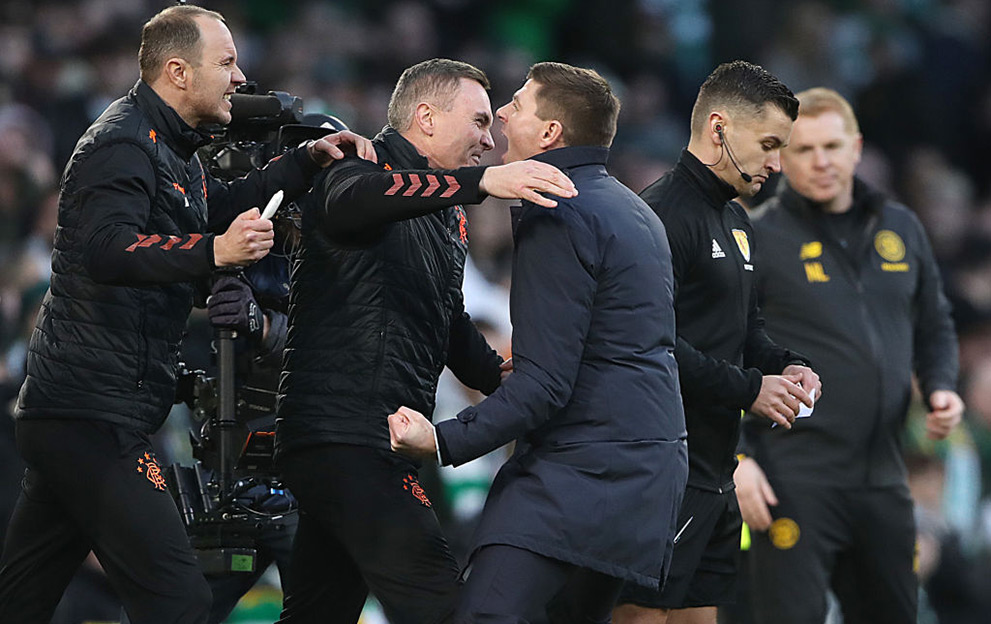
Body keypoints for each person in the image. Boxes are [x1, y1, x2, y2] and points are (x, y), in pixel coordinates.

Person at [0, 6, 372, 623]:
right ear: (177, 72)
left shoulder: (173, 148)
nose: (238, 76)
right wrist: (216, 251)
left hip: (81, 410)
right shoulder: (120, 140)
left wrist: (304, 161)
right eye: (225, 62)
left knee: (21, 601)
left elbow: (210, 205)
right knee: (179, 603)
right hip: (94, 415)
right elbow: (106, 249)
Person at [274, 58, 577, 624]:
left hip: (361, 437)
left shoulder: (444, 213)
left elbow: (446, 321)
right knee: (443, 607)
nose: (490, 141)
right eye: (481, 122)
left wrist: (509, 384)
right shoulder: (356, 162)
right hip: (348, 434)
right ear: (426, 117)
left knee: (320, 612)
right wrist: (479, 184)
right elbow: (351, 203)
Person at [388, 60, 689, 624]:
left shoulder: (560, 211)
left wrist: (442, 440)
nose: (502, 112)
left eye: (519, 105)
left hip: (577, 478)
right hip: (647, 480)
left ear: (550, 133)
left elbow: (546, 385)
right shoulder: (633, 209)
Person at [734, 87, 963, 624]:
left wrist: (941, 386)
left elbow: (934, 324)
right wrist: (738, 457)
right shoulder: (759, 238)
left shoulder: (901, 228)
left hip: (883, 472)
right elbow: (722, 350)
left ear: (856, 147)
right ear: (782, 157)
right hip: (793, 474)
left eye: (832, 146)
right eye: (804, 149)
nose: (820, 161)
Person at [612, 60, 821, 624]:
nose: (778, 164)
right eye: (770, 144)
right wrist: (751, 389)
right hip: (660, 467)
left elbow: (746, 330)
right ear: (719, 128)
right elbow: (649, 345)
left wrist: (789, 364)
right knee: (640, 617)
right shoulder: (657, 216)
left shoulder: (735, 221)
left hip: (714, 468)